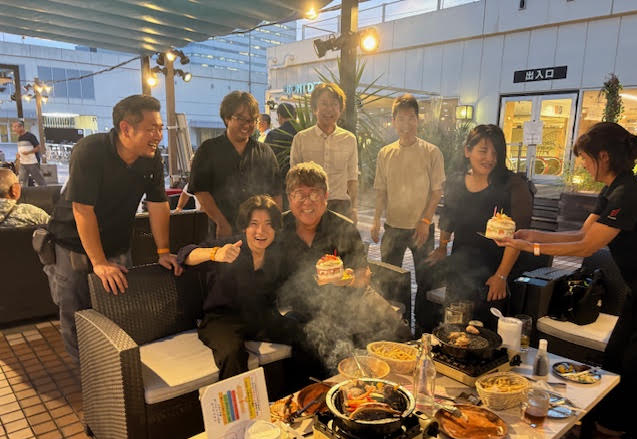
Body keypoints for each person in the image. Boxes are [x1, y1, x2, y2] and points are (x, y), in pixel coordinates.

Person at [497, 122, 637, 439]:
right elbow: (579, 234)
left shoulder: (629, 193)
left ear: (604, 156)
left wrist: (531, 248)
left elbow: (587, 247)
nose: (583, 165)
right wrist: (532, 235)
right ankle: (607, 426)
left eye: (586, 159)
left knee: (635, 363)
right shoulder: (612, 189)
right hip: (636, 290)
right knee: (616, 356)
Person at [46, 94, 182, 363]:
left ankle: (116, 367)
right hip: (72, 243)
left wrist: (163, 251)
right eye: (151, 129)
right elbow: (82, 210)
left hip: (117, 243)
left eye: (160, 128)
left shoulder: (151, 158)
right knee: (77, 310)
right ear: (126, 128)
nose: (158, 135)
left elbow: (158, 204)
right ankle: (86, 370)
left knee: (119, 307)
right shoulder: (90, 150)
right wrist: (98, 262)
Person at [278, 162, 410, 370]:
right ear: (289, 198)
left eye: (314, 194)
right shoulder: (277, 228)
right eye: (299, 194)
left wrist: (345, 279)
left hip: (352, 297)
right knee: (332, 348)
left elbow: (364, 276)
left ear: (326, 196)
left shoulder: (342, 226)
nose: (307, 202)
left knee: (400, 333)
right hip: (305, 308)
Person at [177, 195, 323, 382]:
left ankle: (300, 391)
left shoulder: (278, 253)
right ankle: (239, 402)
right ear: (244, 227)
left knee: (306, 337)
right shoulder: (230, 247)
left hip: (263, 317)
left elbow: (300, 277)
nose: (261, 231)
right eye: (254, 223)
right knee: (232, 354)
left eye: (268, 224)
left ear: (275, 229)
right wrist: (215, 253)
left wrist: (325, 275)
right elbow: (185, 254)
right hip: (223, 320)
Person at [416, 124, 533, 332]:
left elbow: (518, 237)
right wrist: (442, 247)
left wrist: (501, 276)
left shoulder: (513, 185)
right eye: (483, 151)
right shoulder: (457, 181)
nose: (490, 158)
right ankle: (425, 334)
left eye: (495, 153)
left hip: (497, 266)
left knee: (484, 329)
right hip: (462, 263)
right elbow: (448, 217)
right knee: (454, 319)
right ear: (467, 151)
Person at [371, 94, 445, 316]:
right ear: (393, 121)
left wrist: (425, 220)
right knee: (389, 281)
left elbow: (437, 192)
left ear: (418, 119)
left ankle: (424, 326)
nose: (406, 124)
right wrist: (376, 220)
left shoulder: (431, 152)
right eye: (401, 119)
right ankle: (395, 326)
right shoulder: (385, 153)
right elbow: (381, 190)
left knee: (426, 281)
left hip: (422, 228)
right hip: (393, 228)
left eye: (411, 118)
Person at [188, 91, 282, 239]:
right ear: (227, 118)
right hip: (222, 231)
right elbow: (201, 191)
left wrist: (274, 225)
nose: (247, 125)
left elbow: (276, 193)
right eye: (241, 119)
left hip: (258, 234)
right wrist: (221, 222)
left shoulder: (265, 152)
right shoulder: (208, 150)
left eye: (252, 120)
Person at [290, 83, 358, 223]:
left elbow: (352, 177)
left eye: (334, 104)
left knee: (342, 238)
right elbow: (294, 179)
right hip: (310, 205)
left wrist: (354, 209)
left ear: (340, 109)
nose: (329, 109)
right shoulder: (301, 139)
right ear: (315, 108)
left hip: (340, 206)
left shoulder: (349, 139)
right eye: (324, 104)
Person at [266, 103, 297, 210]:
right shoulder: (302, 133)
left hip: (278, 183)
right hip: (299, 182)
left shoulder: (273, 135)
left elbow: (266, 160)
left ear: (279, 116)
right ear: (295, 115)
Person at [12, 120, 47, 187]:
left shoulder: (30, 136)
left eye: (15, 127)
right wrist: (18, 154)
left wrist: (28, 152)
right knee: (22, 180)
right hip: (23, 162)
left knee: (39, 180)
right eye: (13, 127)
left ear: (21, 127)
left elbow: (38, 147)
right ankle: (22, 193)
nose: (14, 129)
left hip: (32, 162)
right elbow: (21, 149)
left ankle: (45, 191)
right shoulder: (19, 138)